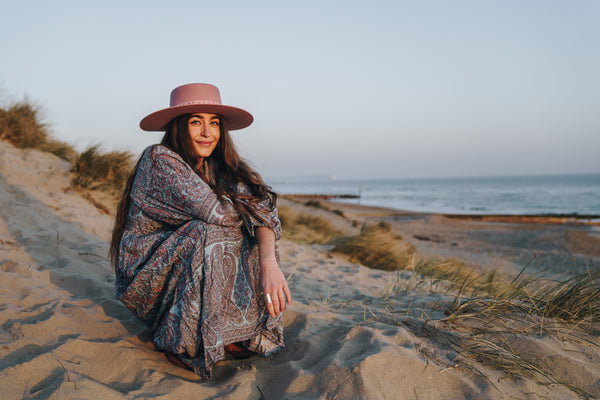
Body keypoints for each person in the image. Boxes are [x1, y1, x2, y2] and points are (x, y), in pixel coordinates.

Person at [109, 83, 291, 379]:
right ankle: (180, 341)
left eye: (214, 123)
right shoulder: (159, 159)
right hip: (147, 273)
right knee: (207, 230)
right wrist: (255, 214)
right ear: (179, 126)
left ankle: (227, 330)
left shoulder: (215, 166)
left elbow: (265, 211)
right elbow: (218, 212)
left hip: (184, 256)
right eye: (196, 122)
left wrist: (268, 261)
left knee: (252, 232)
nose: (208, 132)